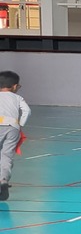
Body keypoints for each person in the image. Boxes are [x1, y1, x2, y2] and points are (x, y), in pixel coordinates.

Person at [0, 71, 30, 201]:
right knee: (6, 155)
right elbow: (27, 111)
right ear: (14, 86)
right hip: (13, 127)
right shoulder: (18, 98)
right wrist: (20, 124)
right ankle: (3, 180)